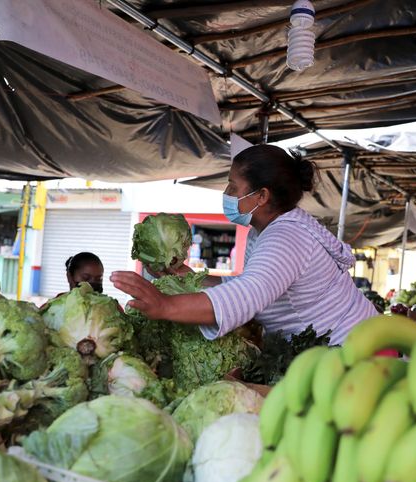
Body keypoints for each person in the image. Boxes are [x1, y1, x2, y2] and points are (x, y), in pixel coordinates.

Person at [111, 144, 377, 345]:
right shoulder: (264, 232)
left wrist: (165, 306)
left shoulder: (286, 239)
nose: (226, 195)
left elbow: (247, 296)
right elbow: (245, 285)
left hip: (353, 351)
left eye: (232, 187)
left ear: (261, 195)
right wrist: (186, 276)